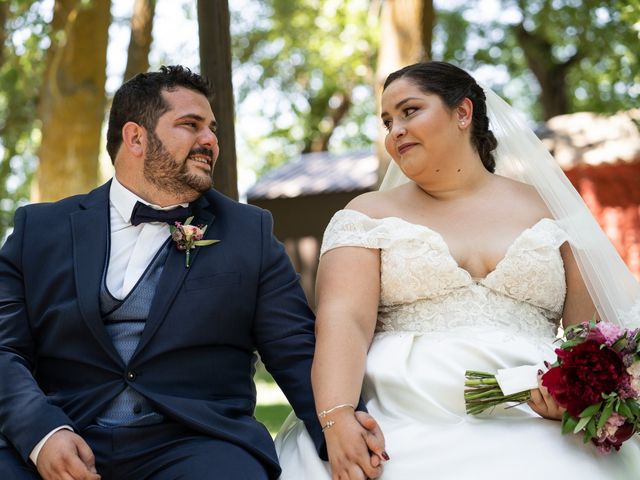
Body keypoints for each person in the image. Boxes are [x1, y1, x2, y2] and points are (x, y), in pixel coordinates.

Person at [0, 65, 385, 480]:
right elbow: (5, 349)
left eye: (213, 129)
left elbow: (294, 347)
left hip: (197, 445)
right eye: (191, 125)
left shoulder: (248, 232)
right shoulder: (38, 230)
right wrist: (42, 434)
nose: (210, 141)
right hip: (64, 435)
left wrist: (338, 421)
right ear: (135, 138)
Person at [275, 61, 640, 478]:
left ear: (462, 113)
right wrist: (337, 419)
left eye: (410, 111)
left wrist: (574, 398)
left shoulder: (554, 210)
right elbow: (345, 320)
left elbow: (587, 335)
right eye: (387, 120)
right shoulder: (365, 214)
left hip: (531, 409)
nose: (394, 130)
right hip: (399, 408)